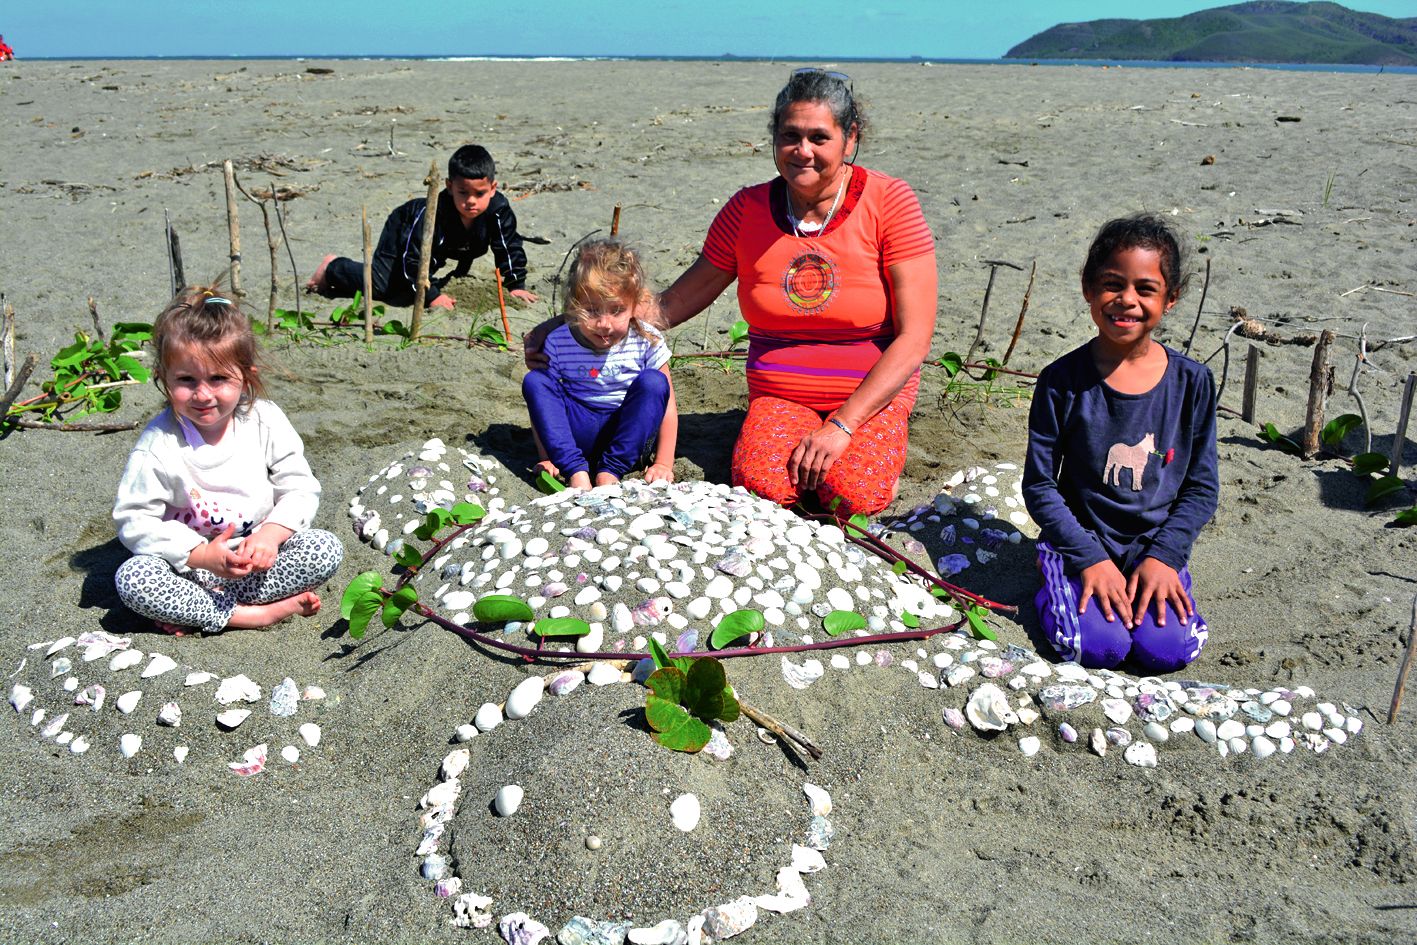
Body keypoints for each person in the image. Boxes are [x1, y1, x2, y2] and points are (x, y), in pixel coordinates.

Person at [527, 69, 936, 516]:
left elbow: (914, 339)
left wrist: (842, 425)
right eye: (790, 136)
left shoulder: (889, 202)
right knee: (762, 488)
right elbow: (670, 305)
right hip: (781, 396)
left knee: (849, 495)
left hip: (867, 398)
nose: (803, 151)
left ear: (850, 137)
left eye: (819, 137)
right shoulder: (746, 210)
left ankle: (879, 454)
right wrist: (566, 323)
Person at [1022, 214, 1219, 673]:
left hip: (1154, 546)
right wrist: (1090, 559)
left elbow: (1201, 487)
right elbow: (1040, 486)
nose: (1127, 299)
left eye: (1146, 289)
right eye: (1112, 284)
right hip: (1082, 544)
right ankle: (1055, 582)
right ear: (1088, 288)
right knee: (1097, 648)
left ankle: (1159, 580)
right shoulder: (1060, 382)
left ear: (1170, 298)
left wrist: (1165, 557)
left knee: (1167, 651)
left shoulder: (1192, 383)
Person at [112, 284, 344, 634]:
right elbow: (133, 519)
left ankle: (203, 611)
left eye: (218, 378)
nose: (203, 394)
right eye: (186, 380)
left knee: (324, 548)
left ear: (246, 377)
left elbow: (300, 487)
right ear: (163, 377)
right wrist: (199, 555)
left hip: (256, 562)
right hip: (187, 570)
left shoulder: (264, 419)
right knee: (134, 579)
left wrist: (270, 536)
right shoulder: (159, 445)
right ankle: (255, 615)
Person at [523, 239, 677, 490]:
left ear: (635, 305)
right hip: (577, 434)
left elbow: (666, 405)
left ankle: (610, 472)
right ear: (574, 306)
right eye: (592, 310)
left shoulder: (647, 340)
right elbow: (543, 408)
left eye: (616, 310)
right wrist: (547, 457)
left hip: (627, 437)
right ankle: (575, 471)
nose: (604, 324)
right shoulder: (559, 341)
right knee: (536, 381)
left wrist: (663, 462)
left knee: (654, 383)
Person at [306, 144, 538, 310]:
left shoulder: (498, 210)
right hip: (404, 226)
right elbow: (414, 259)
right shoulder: (433, 214)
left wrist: (515, 284)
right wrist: (433, 296)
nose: (471, 201)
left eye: (479, 194)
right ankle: (332, 267)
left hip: (459, 244)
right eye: (463, 192)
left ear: (493, 188)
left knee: (472, 247)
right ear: (449, 187)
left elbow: (508, 247)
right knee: (383, 285)